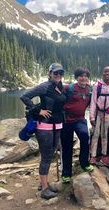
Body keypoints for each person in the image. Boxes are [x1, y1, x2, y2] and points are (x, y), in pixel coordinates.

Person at [20, 63, 66, 199]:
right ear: (50, 73)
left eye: (60, 73)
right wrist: (38, 110)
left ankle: (43, 182)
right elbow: (25, 96)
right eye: (55, 73)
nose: (58, 75)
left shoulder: (60, 87)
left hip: (57, 125)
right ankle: (45, 189)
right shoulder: (44, 86)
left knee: (50, 154)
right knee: (46, 157)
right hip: (44, 126)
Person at [60, 67, 94, 183]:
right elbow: (57, 97)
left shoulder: (90, 90)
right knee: (67, 146)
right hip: (66, 120)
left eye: (86, 76)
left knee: (85, 137)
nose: (83, 78)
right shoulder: (68, 88)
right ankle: (66, 173)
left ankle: (84, 163)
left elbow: (95, 103)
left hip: (80, 120)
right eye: (81, 76)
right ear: (77, 77)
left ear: (88, 78)